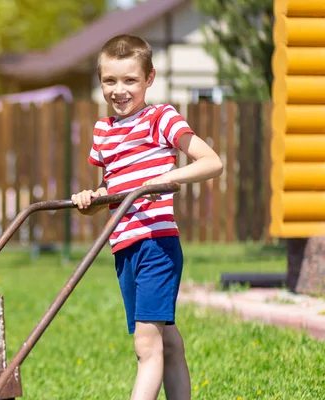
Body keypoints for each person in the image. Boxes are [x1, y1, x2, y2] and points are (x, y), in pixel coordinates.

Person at [71, 34, 223, 400]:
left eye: (130, 80)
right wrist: (90, 199)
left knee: (147, 344)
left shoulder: (160, 118)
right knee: (166, 340)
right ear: (100, 81)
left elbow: (212, 162)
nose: (119, 90)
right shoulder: (103, 131)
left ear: (149, 79)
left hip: (156, 244)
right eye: (110, 80)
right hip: (123, 247)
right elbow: (112, 188)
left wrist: (165, 178)